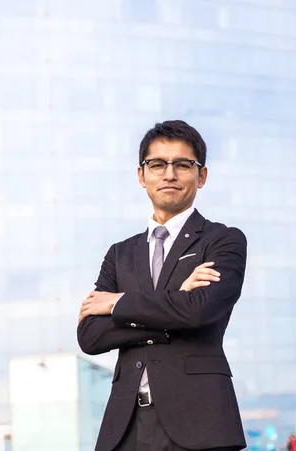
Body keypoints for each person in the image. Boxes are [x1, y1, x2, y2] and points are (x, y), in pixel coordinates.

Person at [77, 120, 248, 451]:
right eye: (157, 164)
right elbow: (91, 336)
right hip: (125, 429)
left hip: (199, 422)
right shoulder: (120, 254)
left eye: (182, 165)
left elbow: (200, 312)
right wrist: (176, 301)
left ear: (202, 175)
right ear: (142, 176)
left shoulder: (223, 240)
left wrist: (117, 304)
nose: (169, 174)